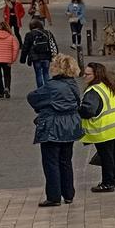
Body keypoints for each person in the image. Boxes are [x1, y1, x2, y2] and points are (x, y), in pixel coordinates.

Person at [27, 54, 84, 207]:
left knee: (51, 162)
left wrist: (43, 108)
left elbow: (32, 97)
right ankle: (68, 193)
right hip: (70, 125)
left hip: (53, 126)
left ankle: (53, 196)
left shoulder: (51, 86)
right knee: (66, 161)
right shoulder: (73, 85)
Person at [81, 62, 115, 192]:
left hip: (105, 128)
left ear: (96, 75)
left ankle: (107, 183)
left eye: (87, 74)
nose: (84, 76)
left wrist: (77, 110)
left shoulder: (93, 91)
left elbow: (89, 111)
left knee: (106, 157)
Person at [20, 18, 59, 89]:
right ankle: (47, 88)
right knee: (46, 73)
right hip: (46, 56)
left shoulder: (29, 34)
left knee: (38, 73)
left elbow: (25, 47)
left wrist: (23, 59)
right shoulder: (48, 33)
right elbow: (53, 44)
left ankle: (41, 89)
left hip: (36, 57)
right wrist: (55, 55)